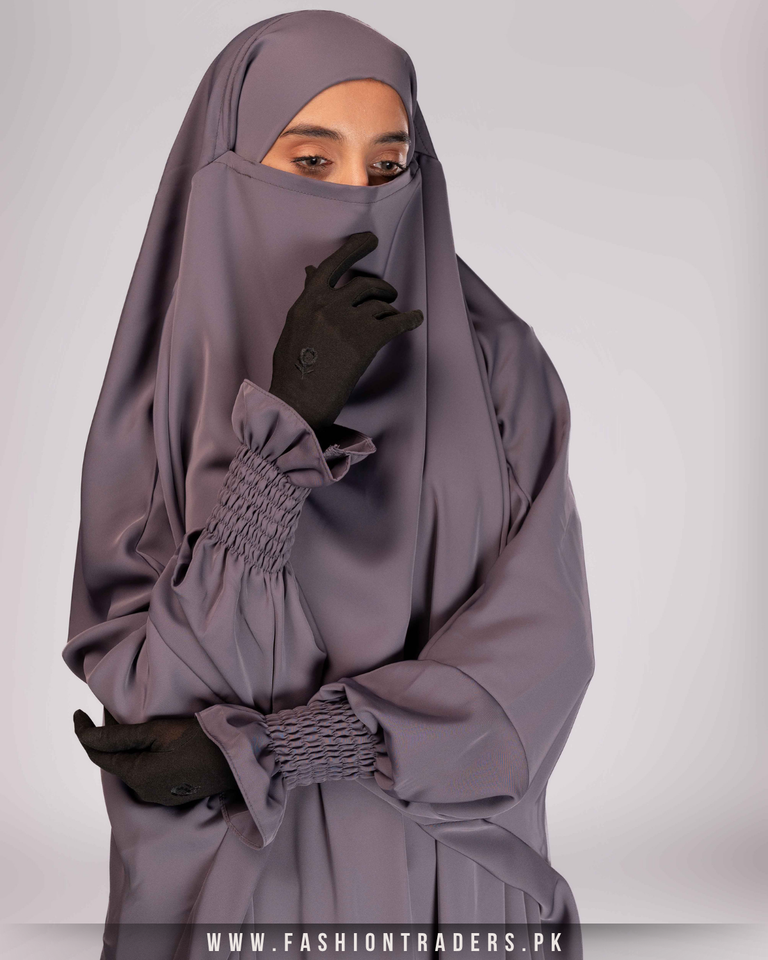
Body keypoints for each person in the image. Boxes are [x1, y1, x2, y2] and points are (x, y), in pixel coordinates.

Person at [63, 10, 595, 960]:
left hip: (448, 887)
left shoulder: (497, 366)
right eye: (311, 162)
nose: (357, 199)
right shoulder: (166, 393)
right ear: (226, 170)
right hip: (248, 894)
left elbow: (542, 656)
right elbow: (159, 703)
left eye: (388, 166)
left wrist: (290, 748)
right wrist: (287, 432)